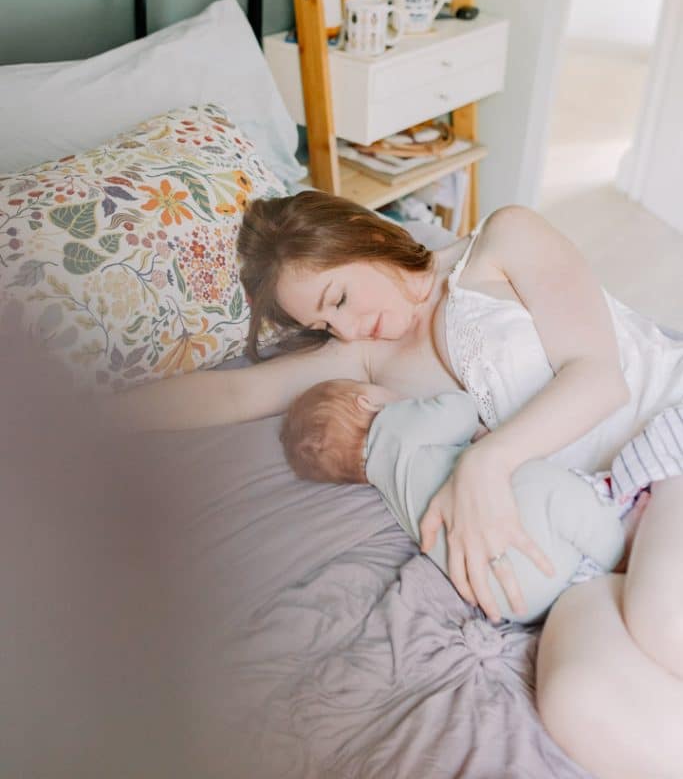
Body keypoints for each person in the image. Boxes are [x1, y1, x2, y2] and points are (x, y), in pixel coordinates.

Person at [116, 190, 683, 779]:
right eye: (323, 323)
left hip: (664, 443)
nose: (346, 326)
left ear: (366, 236)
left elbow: (599, 379)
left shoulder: (504, 240)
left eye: (338, 298)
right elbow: (235, 392)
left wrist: (484, 466)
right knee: (579, 701)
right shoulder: (364, 358)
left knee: (664, 620)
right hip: (589, 535)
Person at [280, 381, 629, 624]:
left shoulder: (388, 491)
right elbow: (460, 410)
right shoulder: (392, 425)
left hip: (511, 601)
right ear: (365, 401)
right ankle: (620, 548)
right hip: (527, 538)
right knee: (544, 486)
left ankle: (589, 578)